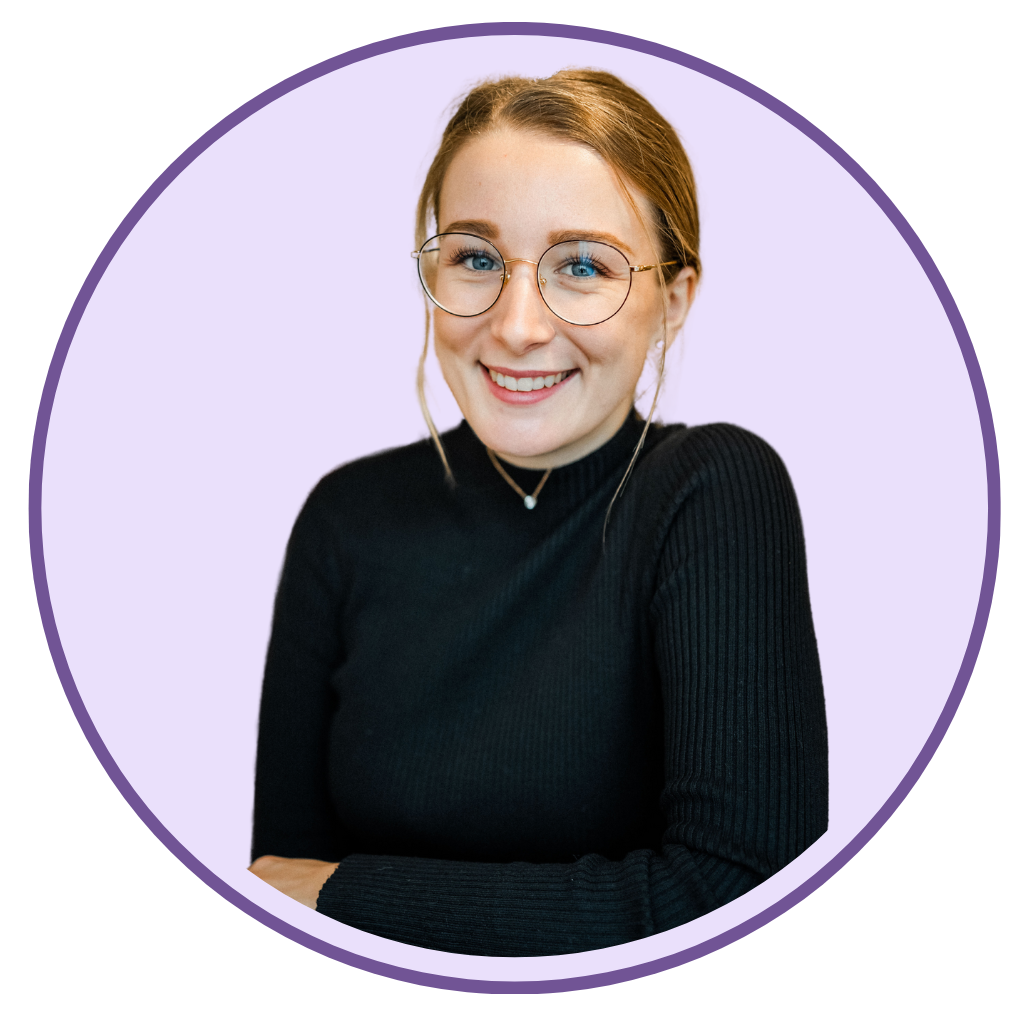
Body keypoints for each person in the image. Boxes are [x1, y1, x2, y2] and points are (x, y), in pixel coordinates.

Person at [248, 69, 828, 958]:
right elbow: (274, 909)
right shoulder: (345, 518)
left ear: (673, 299)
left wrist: (346, 891)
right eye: (476, 258)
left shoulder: (710, 490)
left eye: (582, 266)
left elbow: (738, 898)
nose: (517, 326)